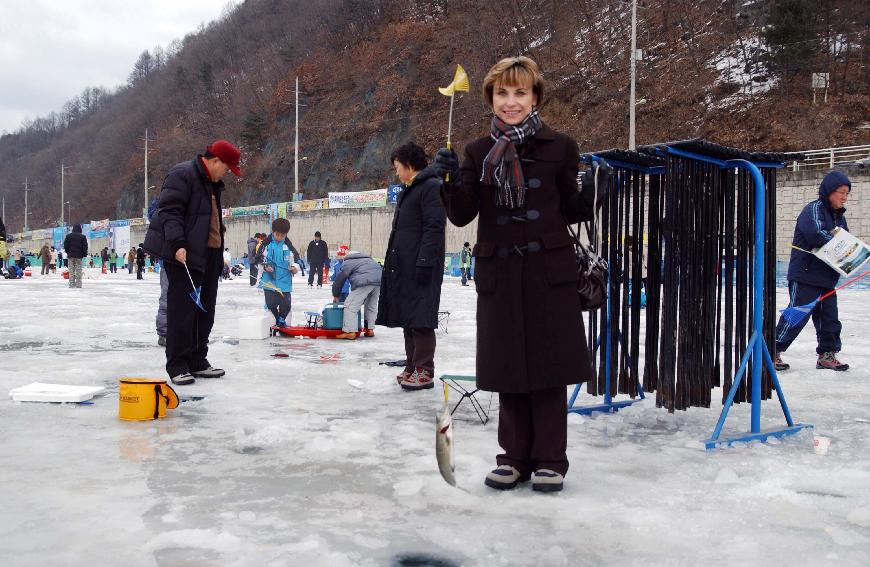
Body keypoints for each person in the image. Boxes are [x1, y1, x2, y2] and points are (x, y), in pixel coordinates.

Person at [433, 56, 602, 493]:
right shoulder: (474, 151)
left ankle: (550, 460)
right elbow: (462, 213)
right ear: (490, 97)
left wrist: (599, 194)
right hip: (501, 272)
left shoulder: (560, 146)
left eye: (520, 93)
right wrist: (448, 181)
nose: (511, 102)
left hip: (549, 271)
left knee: (547, 367)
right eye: (502, 93)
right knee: (509, 366)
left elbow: (573, 209)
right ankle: (512, 458)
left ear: (535, 97)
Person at [144, 139, 243, 385]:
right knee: (182, 312)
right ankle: (178, 364)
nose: (227, 173)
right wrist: (178, 243)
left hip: (209, 255)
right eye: (227, 168)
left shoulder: (213, 184)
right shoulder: (182, 174)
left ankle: (198, 360)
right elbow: (169, 211)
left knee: (204, 311)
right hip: (185, 255)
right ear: (215, 160)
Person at [376, 141, 446, 391]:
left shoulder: (430, 187)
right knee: (408, 317)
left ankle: (424, 370)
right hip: (404, 265)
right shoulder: (410, 189)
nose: (396, 172)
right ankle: (413, 365)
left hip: (421, 265)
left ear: (409, 165)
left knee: (420, 318)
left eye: (397, 167)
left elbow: (434, 227)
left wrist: (425, 261)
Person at [774, 171, 853, 372]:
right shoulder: (814, 210)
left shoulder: (839, 218)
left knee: (830, 318)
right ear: (829, 191)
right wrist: (845, 249)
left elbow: (846, 242)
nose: (844, 197)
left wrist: (854, 256)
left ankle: (827, 355)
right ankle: (771, 351)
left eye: (847, 193)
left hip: (826, 278)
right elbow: (817, 235)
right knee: (797, 315)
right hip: (806, 274)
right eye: (841, 192)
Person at [256, 218, 298, 327]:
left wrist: (294, 267)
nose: (279, 237)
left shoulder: (288, 245)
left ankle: (281, 321)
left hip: (284, 281)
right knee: (271, 304)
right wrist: (266, 267)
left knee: (286, 306)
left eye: (282, 235)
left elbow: (296, 259)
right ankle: (274, 323)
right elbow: (258, 259)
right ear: (273, 231)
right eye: (277, 234)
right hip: (269, 281)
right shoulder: (266, 244)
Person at [332, 252, 382, 339]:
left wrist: (336, 295)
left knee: (350, 305)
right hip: (379, 281)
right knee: (371, 306)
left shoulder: (349, 261)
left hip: (365, 281)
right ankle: (369, 330)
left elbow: (340, 279)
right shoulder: (370, 260)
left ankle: (350, 332)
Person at [63, 224, 88, 288]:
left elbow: (65, 246)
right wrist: (84, 254)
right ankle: (78, 285)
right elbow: (85, 247)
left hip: (70, 256)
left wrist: (68, 252)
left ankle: (71, 284)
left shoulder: (68, 236)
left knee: (71, 271)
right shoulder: (83, 237)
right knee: (78, 271)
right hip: (79, 256)